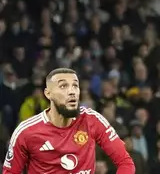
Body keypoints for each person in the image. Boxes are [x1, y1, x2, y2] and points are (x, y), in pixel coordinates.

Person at [3, 68, 135, 174]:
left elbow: (125, 162)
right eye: (63, 86)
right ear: (48, 94)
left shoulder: (92, 121)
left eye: (75, 86)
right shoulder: (26, 131)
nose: (72, 92)